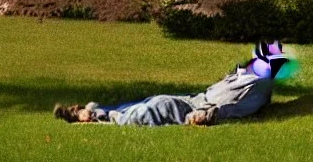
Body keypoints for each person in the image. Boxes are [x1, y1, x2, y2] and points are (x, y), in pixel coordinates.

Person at [53, 41, 291, 126]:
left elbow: (238, 109)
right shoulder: (243, 73)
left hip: (197, 107)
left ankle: (96, 117)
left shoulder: (258, 87)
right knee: (151, 101)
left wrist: (207, 116)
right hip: (194, 98)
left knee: (154, 108)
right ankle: (98, 112)